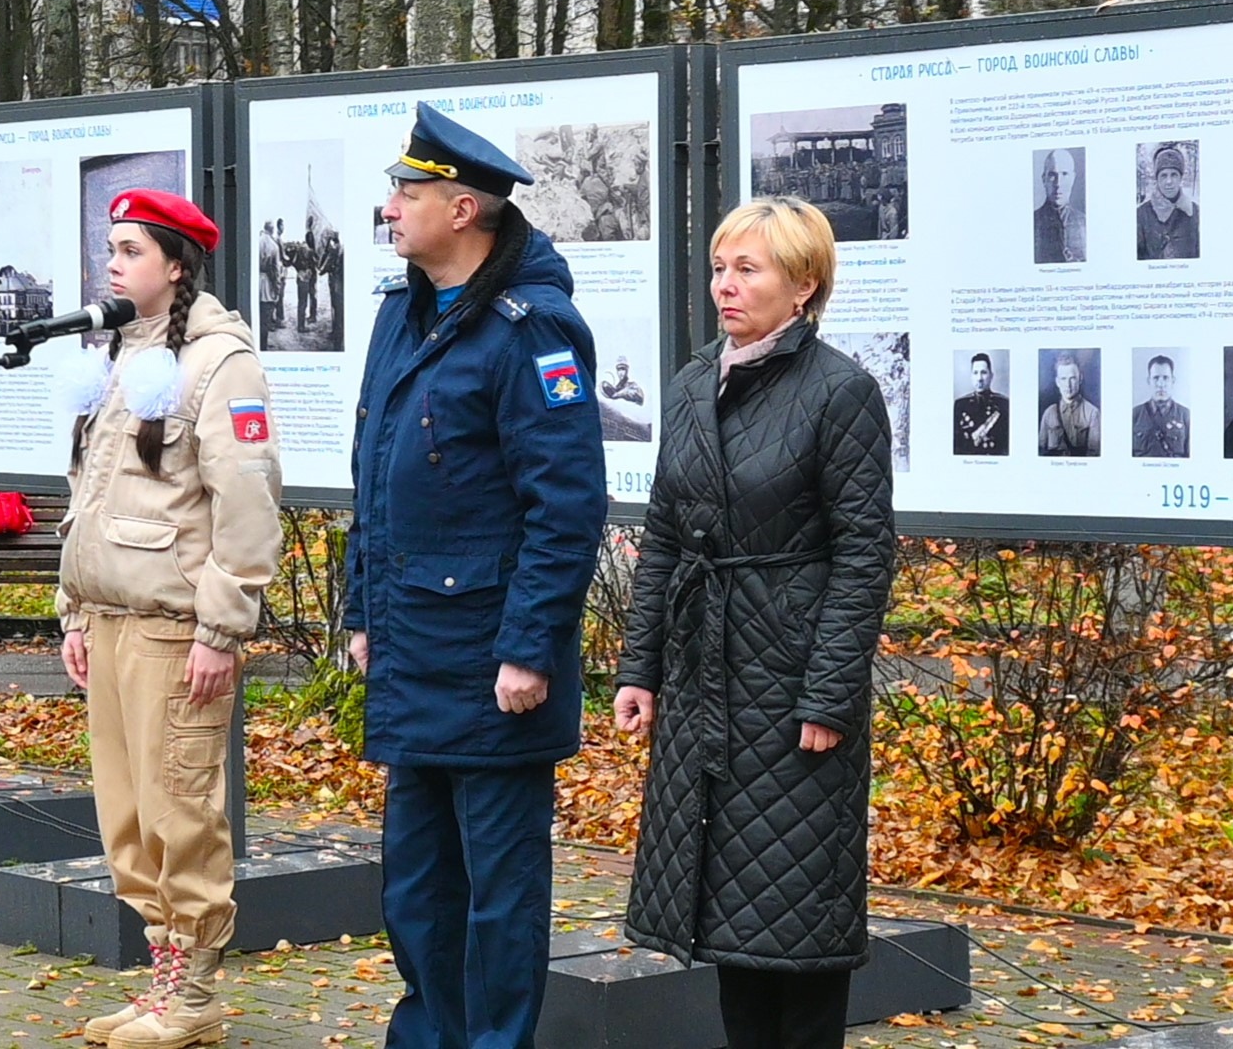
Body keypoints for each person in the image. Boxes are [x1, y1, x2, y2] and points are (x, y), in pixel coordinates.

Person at [346, 101, 607, 1048]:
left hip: (495, 661)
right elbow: (373, 469)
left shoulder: (530, 329)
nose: (392, 207)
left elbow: (567, 507)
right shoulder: (402, 314)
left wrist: (532, 648)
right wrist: (361, 606)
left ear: (462, 210)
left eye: (408, 191)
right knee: (415, 887)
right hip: (414, 647)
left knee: (498, 897)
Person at [614, 196, 895, 1049]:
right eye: (719, 269)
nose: (724, 287)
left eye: (748, 269)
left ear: (804, 285)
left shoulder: (841, 390)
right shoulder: (695, 381)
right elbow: (664, 533)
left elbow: (864, 555)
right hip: (707, 676)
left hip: (792, 677)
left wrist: (828, 696)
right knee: (729, 919)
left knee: (799, 922)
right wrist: (641, 668)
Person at [57, 189, 284, 1049]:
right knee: (128, 820)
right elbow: (92, 494)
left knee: (179, 810)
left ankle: (194, 999)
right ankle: (160, 986)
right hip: (111, 619)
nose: (110, 265)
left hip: (173, 630)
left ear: (176, 264)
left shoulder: (220, 362)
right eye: (109, 249)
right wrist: (73, 609)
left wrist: (222, 629)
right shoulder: (122, 353)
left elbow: (248, 501)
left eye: (128, 250)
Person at [1137, 144, 1199, 260]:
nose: (1169, 181)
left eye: (1174, 175)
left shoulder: (1196, 213)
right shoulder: (1141, 215)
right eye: (1163, 175)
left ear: (1181, 178)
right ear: (1157, 179)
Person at [1037, 350, 1100, 457]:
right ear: (1057, 382)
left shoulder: (1092, 413)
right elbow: (1041, 450)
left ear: (1080, 379)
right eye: (1063, 379)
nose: (1068, 385)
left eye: (1072, 379)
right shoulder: (1049, 413)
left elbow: (1094, 454)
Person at [1132, 354, 1191, 458]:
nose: (1160, 384)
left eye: (1165, 378)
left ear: (1173, 381)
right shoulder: (1134, 415)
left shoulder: (1185, 416)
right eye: (1156, 378)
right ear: (1148, 381)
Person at [1032, 149, 1086, 264]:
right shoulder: (1032, 222)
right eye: (1052, 175)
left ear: (1073, 178)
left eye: (1064, 174)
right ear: (1044, 179)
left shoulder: (1085, 222)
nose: (1058, 184)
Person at [952, 352, 1009, 455]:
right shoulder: (960, 405)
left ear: (991, 376)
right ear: (971, 376)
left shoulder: (1004, 405)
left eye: (983, 372)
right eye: (975, 373)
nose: (979, 378)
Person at [258, 220, 283, 338]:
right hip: (266, 284)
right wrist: (277, 288)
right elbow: (276, 270)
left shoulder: (257, 241)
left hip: (257, 281)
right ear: (272, 229)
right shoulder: (273, 246)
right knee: (264, 320)